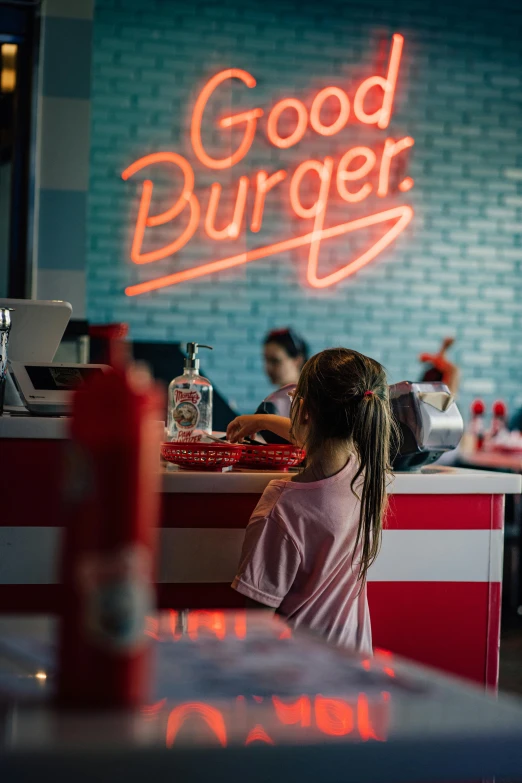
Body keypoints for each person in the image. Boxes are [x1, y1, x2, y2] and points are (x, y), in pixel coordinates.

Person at [226, 348, 396, 653]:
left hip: (298, 677)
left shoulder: (283, 506)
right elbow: (315, 435)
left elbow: (255, 628)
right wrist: (262, 421)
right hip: (354, 669)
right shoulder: (366, 473)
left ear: (302, 409)